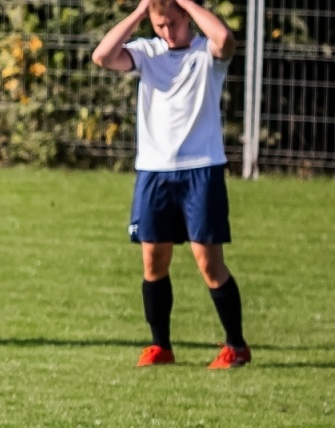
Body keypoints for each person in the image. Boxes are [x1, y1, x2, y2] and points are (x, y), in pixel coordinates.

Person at [92, 0, 248, 369]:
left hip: (201, 169)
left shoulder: (205, 53)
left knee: (208, 263)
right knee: (153, 259)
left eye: (173, 24)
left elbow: (224, 36)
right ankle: (160, 345)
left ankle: (237, 346)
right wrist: (140, 11)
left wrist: (189, 4)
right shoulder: (147, 53)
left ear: (187, 18)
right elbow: (102, 56)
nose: (167, 32)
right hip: (154, 171)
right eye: (159, 25)